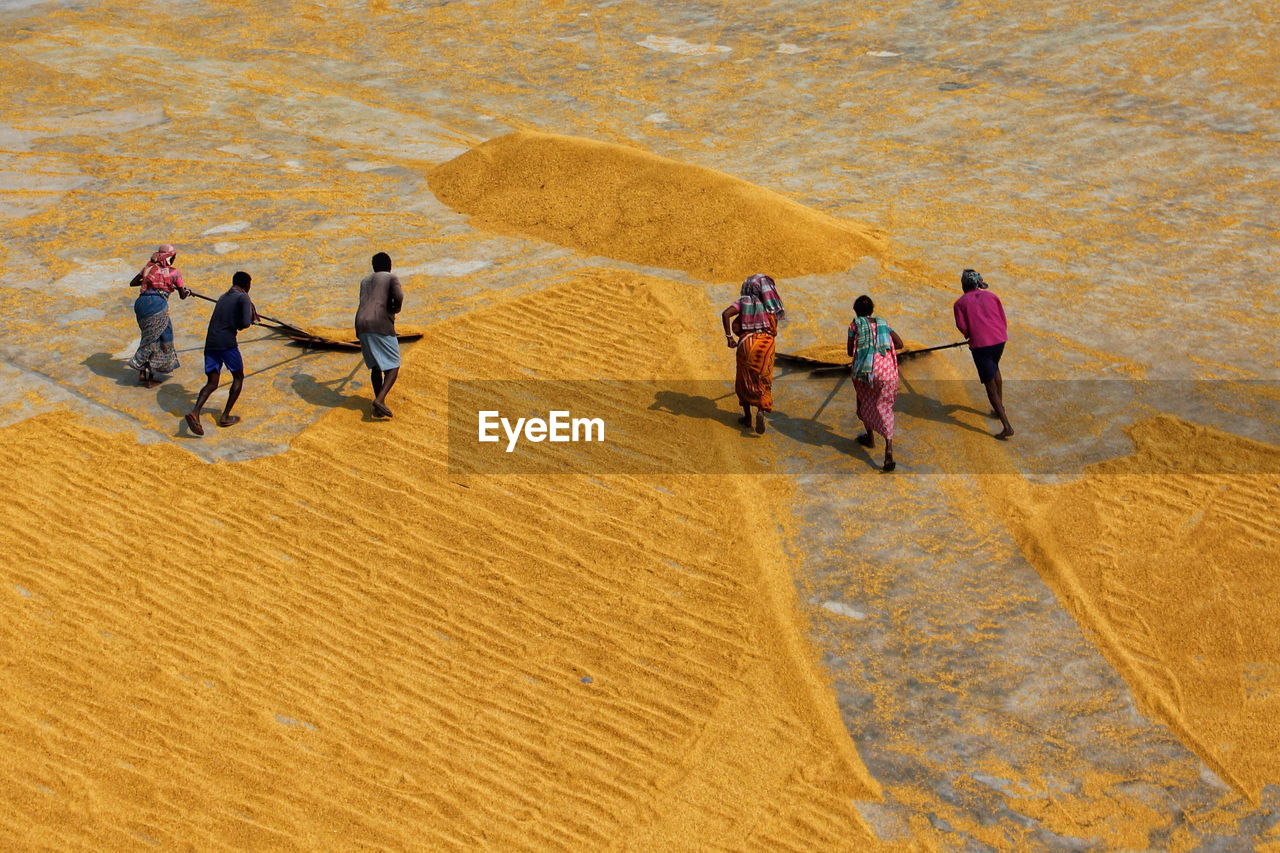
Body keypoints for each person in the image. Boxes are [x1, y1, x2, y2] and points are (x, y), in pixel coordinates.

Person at [184, 271, 257, 436]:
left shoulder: (224, 296)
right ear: (246, 284)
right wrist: (249, 320)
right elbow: (244, 323)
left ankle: (195, 412)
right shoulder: (243, 297)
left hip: (211, 342)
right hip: (227, 343)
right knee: (238, 377)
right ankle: (225, 417)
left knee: (212, 382)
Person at [953, 268, 1013, 439]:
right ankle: (998, 407)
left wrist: (971, 335)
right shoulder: (992, 296)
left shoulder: (960, 303)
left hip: (981, 345)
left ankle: (1006, 425)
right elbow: (1002, 317)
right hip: (1000, 339)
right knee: (995, 367)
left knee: (989, 384)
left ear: (964, 285)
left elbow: (962, 326)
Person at [721, 273, 784, 434]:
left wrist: (729, 338)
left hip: (746, 344)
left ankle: (747, 417)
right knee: (763, 379)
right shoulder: (769, 305)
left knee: (744, 380)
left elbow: (726, 314)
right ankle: (761, 411)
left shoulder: (743, 301)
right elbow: (773, 327)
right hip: (765, 346)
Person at [848, 295, 904, 471]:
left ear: (856, 311)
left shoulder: (854, 324)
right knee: (885, 407)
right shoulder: (883, 324)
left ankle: (870, 436)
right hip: (887, 372)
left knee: (864, 401)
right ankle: (888, 448)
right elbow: (900, 344)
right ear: (872, 310)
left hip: (866, 371)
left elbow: (850, 352)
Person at [126, 244, 190, 387]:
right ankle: (150, 378)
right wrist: (186, 291)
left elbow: (133, 283)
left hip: (141, 304)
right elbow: (182, 295)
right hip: (156, 305)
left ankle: (142, 372)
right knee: (160, 339)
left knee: (148, 336)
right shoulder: (174, 273)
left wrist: (151, 282)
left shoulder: (149, 268)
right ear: (169, 258)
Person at [355, 252, 404, 419]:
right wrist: (394, 310)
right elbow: (399, 296)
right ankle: (380, 400)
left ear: (373, 266)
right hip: (379, 323)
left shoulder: (365, 281)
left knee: (376, 366)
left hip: (361, 323)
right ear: (389, 265)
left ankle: (378, 405)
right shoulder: (391, 277)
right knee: (393, 365)